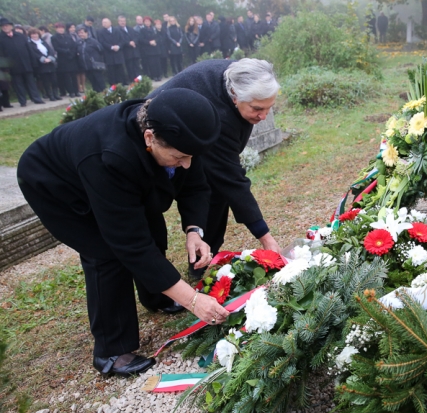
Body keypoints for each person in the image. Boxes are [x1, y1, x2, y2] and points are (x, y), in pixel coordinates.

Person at [17, 88, 229, 377]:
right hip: (56, 184)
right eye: (180, 157)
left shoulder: (179, 134)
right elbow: (130, 244)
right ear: (149, 139)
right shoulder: (110, 157)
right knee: (105, 253)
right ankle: (111, 349)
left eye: (191, 156)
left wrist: (194, 231)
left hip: (109, 174)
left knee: (152, 226)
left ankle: (158, 296)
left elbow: (195, 185)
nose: (187, 163)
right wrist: (192, 299)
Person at [147, 59, 281, 278]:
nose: (264, 116)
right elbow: (231, 178)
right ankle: (159, 285)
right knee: (152, 210)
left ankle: (205, 258)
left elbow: (224, 174)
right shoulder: (220, 115)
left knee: (217, 191)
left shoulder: (245, 75)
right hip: (160, 144)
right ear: (235, 95)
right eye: (258, 109)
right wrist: (264, 235)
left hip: (193, 129)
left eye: (269, 107)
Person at [0, 17, 44, 106]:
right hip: (13, 66)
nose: (5, 27)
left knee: (31, 82)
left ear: (11, 26)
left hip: (26, 64)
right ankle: (22, 101)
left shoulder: (20, 36)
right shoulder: (1, 38)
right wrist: (5, 67)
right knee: (18, 84)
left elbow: (29, 49)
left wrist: (33, 62)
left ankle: (36, 98)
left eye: (7, 25)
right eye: (3, 26)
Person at [28, 27, 60, 101]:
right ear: (30, 35)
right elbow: (34, 54)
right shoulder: (30, 44)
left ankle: (56, 94)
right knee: (46, 81)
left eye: (35, 34)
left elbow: (50, 50)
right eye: (32, 34)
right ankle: (50, 95)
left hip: (50, 63)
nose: (34, 35)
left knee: (54, 80)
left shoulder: (43, 42)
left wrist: (50, 58)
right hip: (41, 65)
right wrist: (43, 59)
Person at [52, 23, 79, 97]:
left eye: (62, 28)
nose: (61, 29)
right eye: (59, 28)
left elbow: (74, 45)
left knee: (73, 76)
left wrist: (72, 54)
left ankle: (76, 91)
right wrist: (66, 51)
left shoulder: (68, 36)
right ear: (56, 29)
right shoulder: (54, 37)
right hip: (63, 59)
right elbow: (56, 48)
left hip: (71, 58)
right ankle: (71, 91)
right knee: (67, 77)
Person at [75, 26, 105, 92]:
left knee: (99, 81)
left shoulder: (93, 41)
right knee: (93, 82)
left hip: (95, 65)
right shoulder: (78, 43)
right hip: (86, 66)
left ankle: (104, 93)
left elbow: (101, 50)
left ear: (86, 33)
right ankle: (97, 94)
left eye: (82, 32)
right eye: (79, 33)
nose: (80, 34)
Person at [97, 18, 125, 86]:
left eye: (106, 22)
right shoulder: (100, 32)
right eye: (103, 22)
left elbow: (122, 40)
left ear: (110, 23)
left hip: (118, 53)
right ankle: (113, 85)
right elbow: (102, 42)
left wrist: (118, 46)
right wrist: (111, 47)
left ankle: (121, 84)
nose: (104, 24)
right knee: (111, 70)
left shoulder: (117, 30)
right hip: (109, 54)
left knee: (120, 69)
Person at [117, 15, 141, 83]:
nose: (123, 22)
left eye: (124, 21)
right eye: (121, 21)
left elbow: (136, 36)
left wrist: (134, 41)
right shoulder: (117, 30)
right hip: (127, 52)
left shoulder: (130, 28)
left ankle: (138, 79)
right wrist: (128, 43)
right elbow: (120, 40)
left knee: (136, 66)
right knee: (129, 67)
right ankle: (132, 80)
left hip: (134, 51)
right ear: (118, 22)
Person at [138, 17, 161, 81]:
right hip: (148, 50)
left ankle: (159, 75)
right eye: (146, 22)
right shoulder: (142, 30)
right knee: (152, 64)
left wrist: (155, 41)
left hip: (156, 49)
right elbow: (141, 39)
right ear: (144, 23)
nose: (147, 23)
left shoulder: (154, 28)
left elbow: (159, 37)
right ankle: (154, 76)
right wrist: (149, 42)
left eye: (148, 21)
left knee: (157, 63)